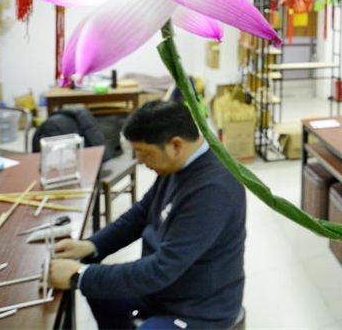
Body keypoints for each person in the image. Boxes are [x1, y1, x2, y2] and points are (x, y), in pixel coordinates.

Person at [48, 101, 247, 330]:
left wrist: (79, 275)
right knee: (99, 291)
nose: (140, 161)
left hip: (199, 308)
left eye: (144, 153)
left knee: (93, 281)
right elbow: (141, 214)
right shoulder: (177, 165)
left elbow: (160, 269)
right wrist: (91, 245)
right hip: (164, 288)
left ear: (175, 145)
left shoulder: (214, 190)